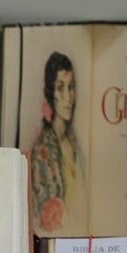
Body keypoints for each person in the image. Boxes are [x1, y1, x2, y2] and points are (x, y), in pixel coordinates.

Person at [30, 51, 83, 234]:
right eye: (60, 88)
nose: (68, 97)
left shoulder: (73, 141)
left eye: (71, 87)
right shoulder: (42, 150)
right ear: (50, 93)